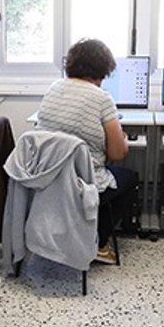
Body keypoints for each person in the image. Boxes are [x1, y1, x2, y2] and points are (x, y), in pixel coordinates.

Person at [36, 38, 139, 264]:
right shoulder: (101, 98)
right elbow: (117, 154)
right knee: (131, 178)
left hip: (49, 179)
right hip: (83, 183)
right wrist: (122, 138)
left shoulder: (54, 88)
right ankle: (99, 243)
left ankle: (77, 234)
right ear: (103, 70)